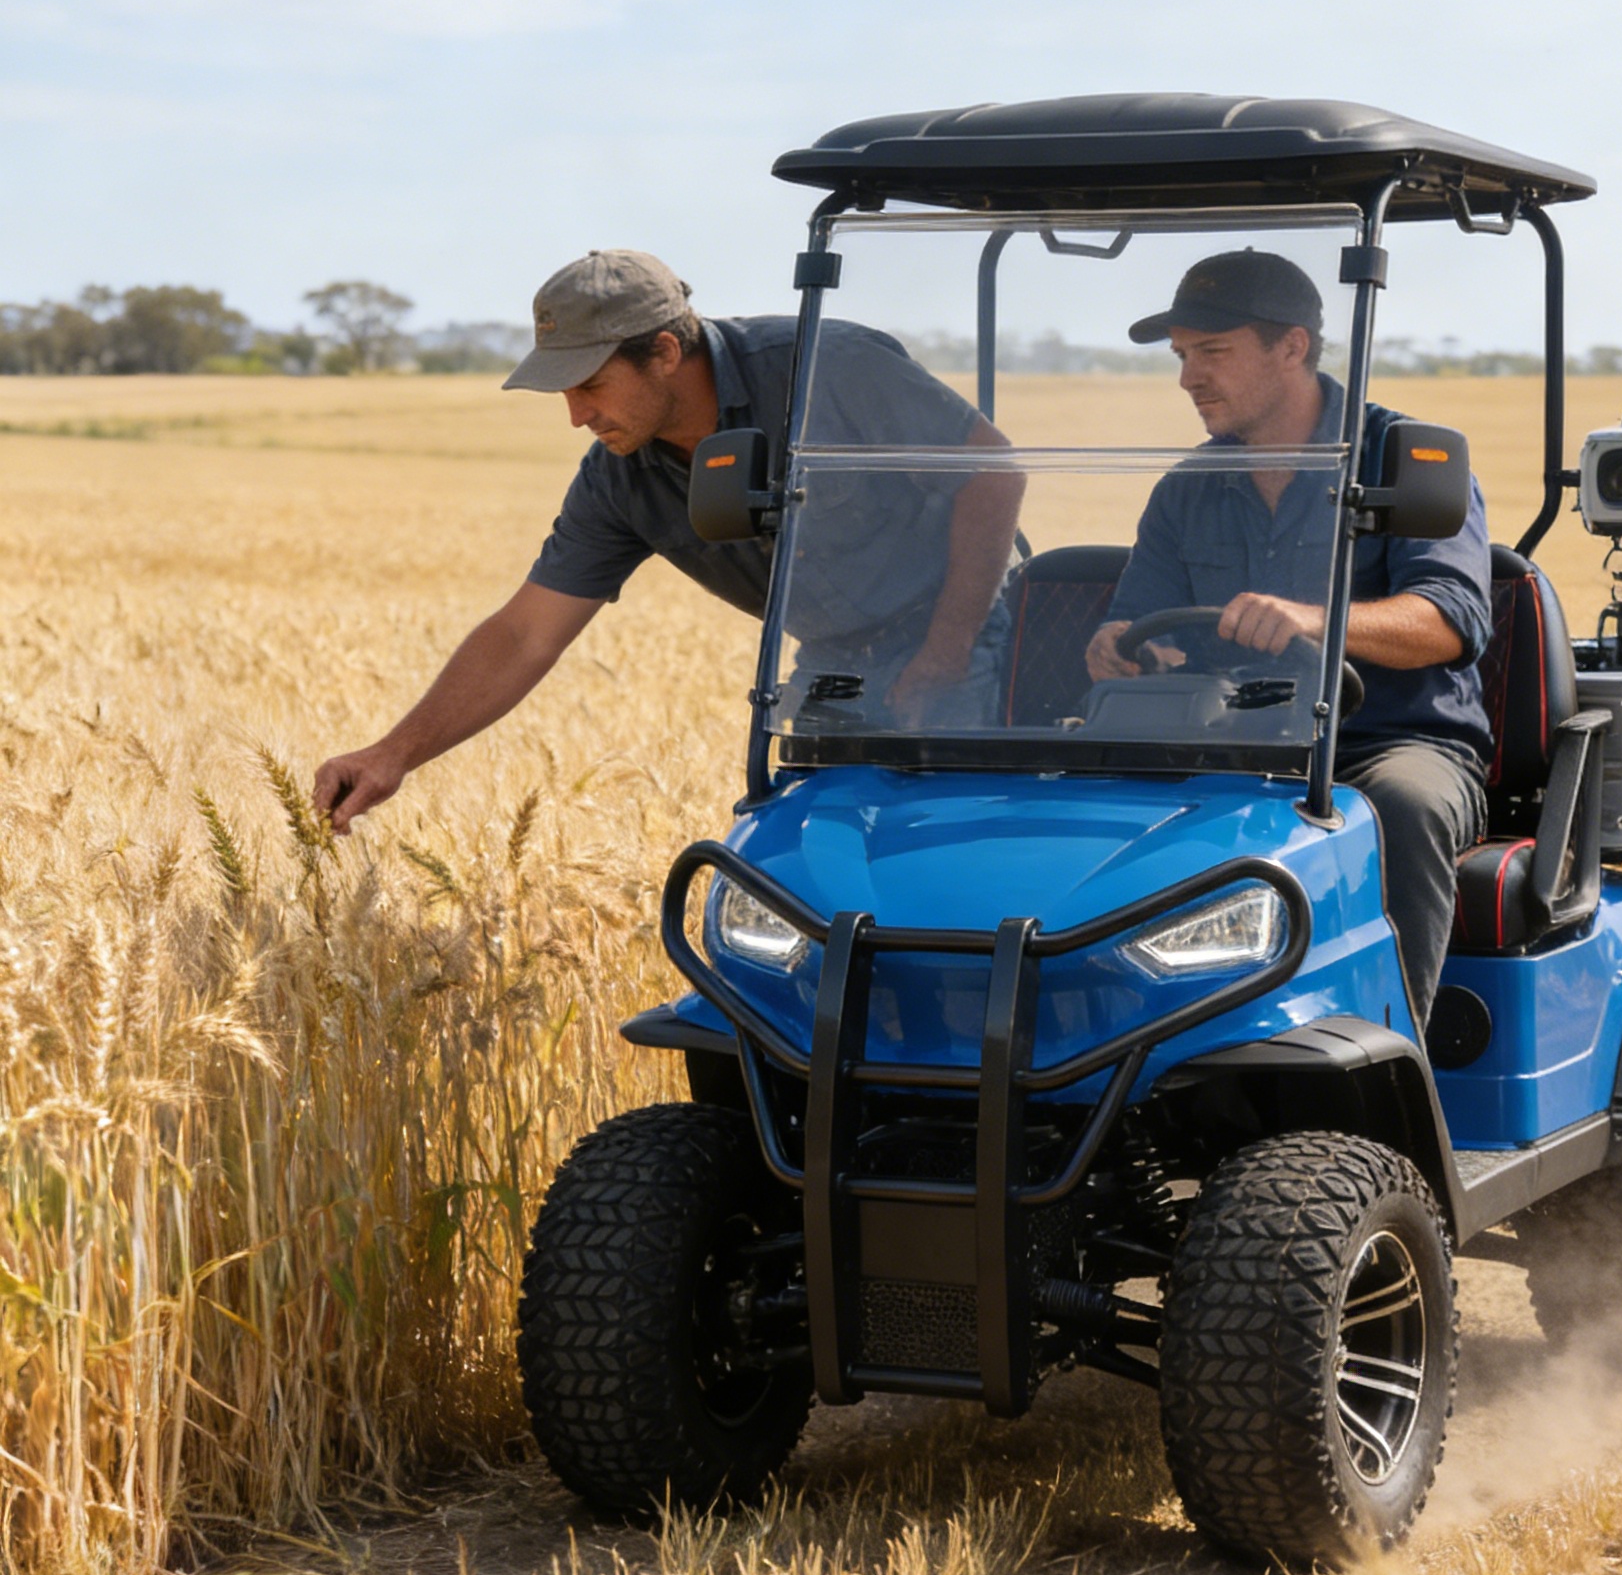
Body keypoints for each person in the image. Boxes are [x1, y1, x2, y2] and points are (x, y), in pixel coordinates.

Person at [315, 249, 1019, 833]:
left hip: (972, 634)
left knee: (950, 839)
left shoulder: (825, 368)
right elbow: (526, 633)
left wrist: (945, 652)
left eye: (590, 385)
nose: (576, 415)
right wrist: (392, 754)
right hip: (832, 662)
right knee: (810, 853)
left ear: (665, 351)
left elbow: (992, 475)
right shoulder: (620, 477)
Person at [1083, 249, 1492, 1023]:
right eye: (1180, 355)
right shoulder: (1186, 487)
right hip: (1237, 740)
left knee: (1404, 809)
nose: (1188, 378)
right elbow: (1135, 624)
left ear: (1292, 347)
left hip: (1389, 744)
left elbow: (1449, 621)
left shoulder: (1406, 460)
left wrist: (1314, 620)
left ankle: (1389, 1062)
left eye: (1212, 352)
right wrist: (1116, 648)